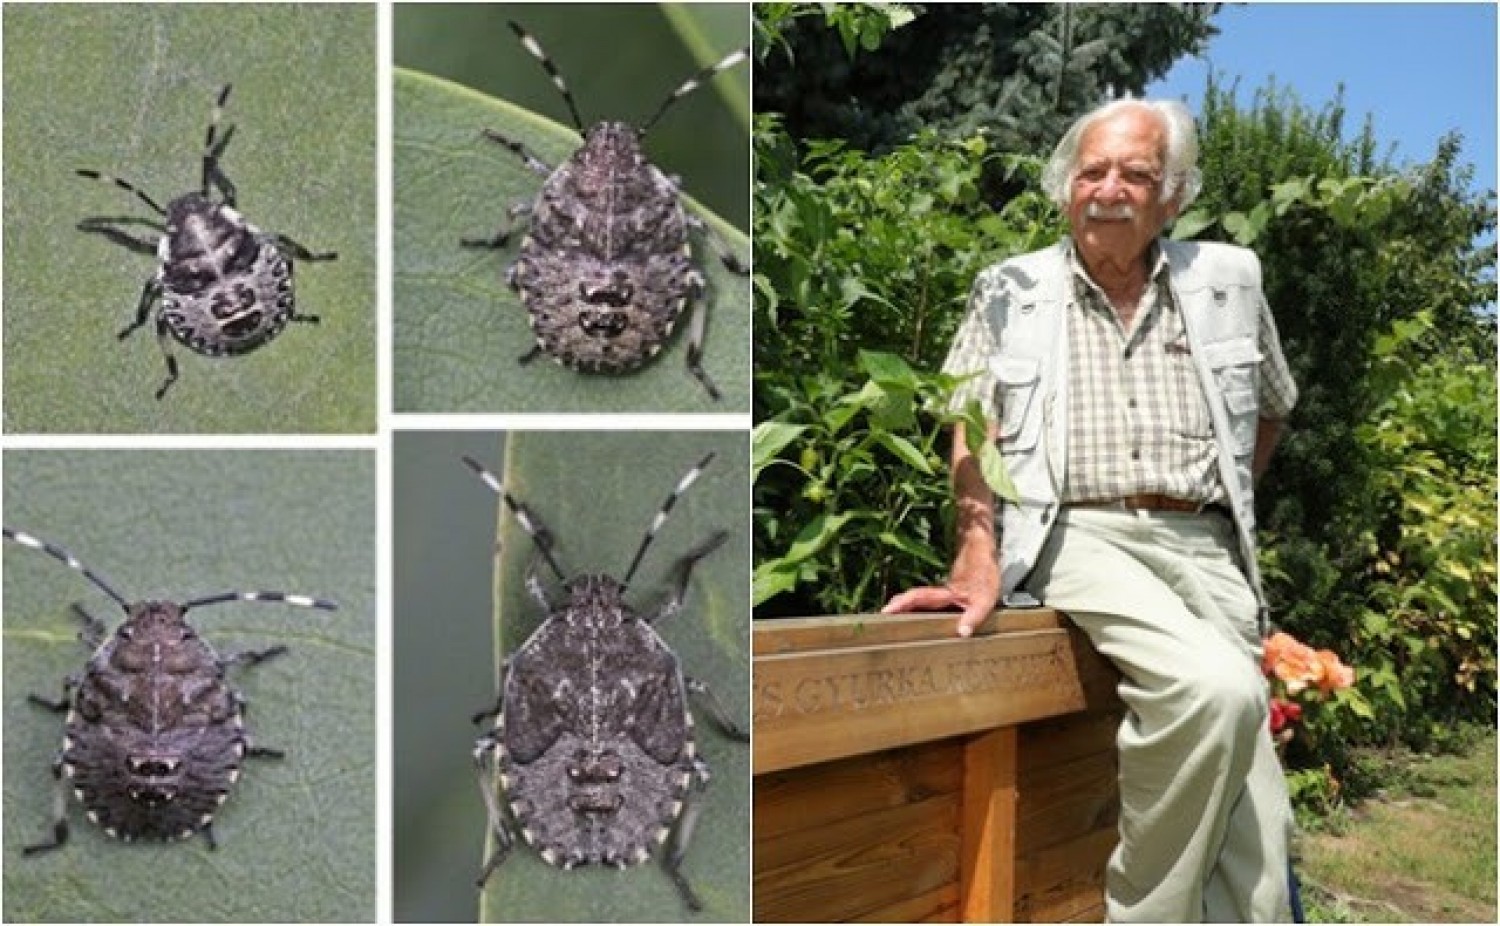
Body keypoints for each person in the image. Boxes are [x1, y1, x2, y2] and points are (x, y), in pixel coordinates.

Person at [883, 98, 1299, 922]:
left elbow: (1273, 406)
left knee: (1263, 832)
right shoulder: (1010, 289)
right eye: (1093, 170)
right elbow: (969, 426)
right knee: (1214, 691)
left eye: (1136, 173)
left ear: (1172, 196)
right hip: (1079, 530)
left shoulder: (1229, 283)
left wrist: (1224, 498)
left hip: (1204, 543)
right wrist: (978, 548)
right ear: (1065, 186)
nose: (1110, 189)